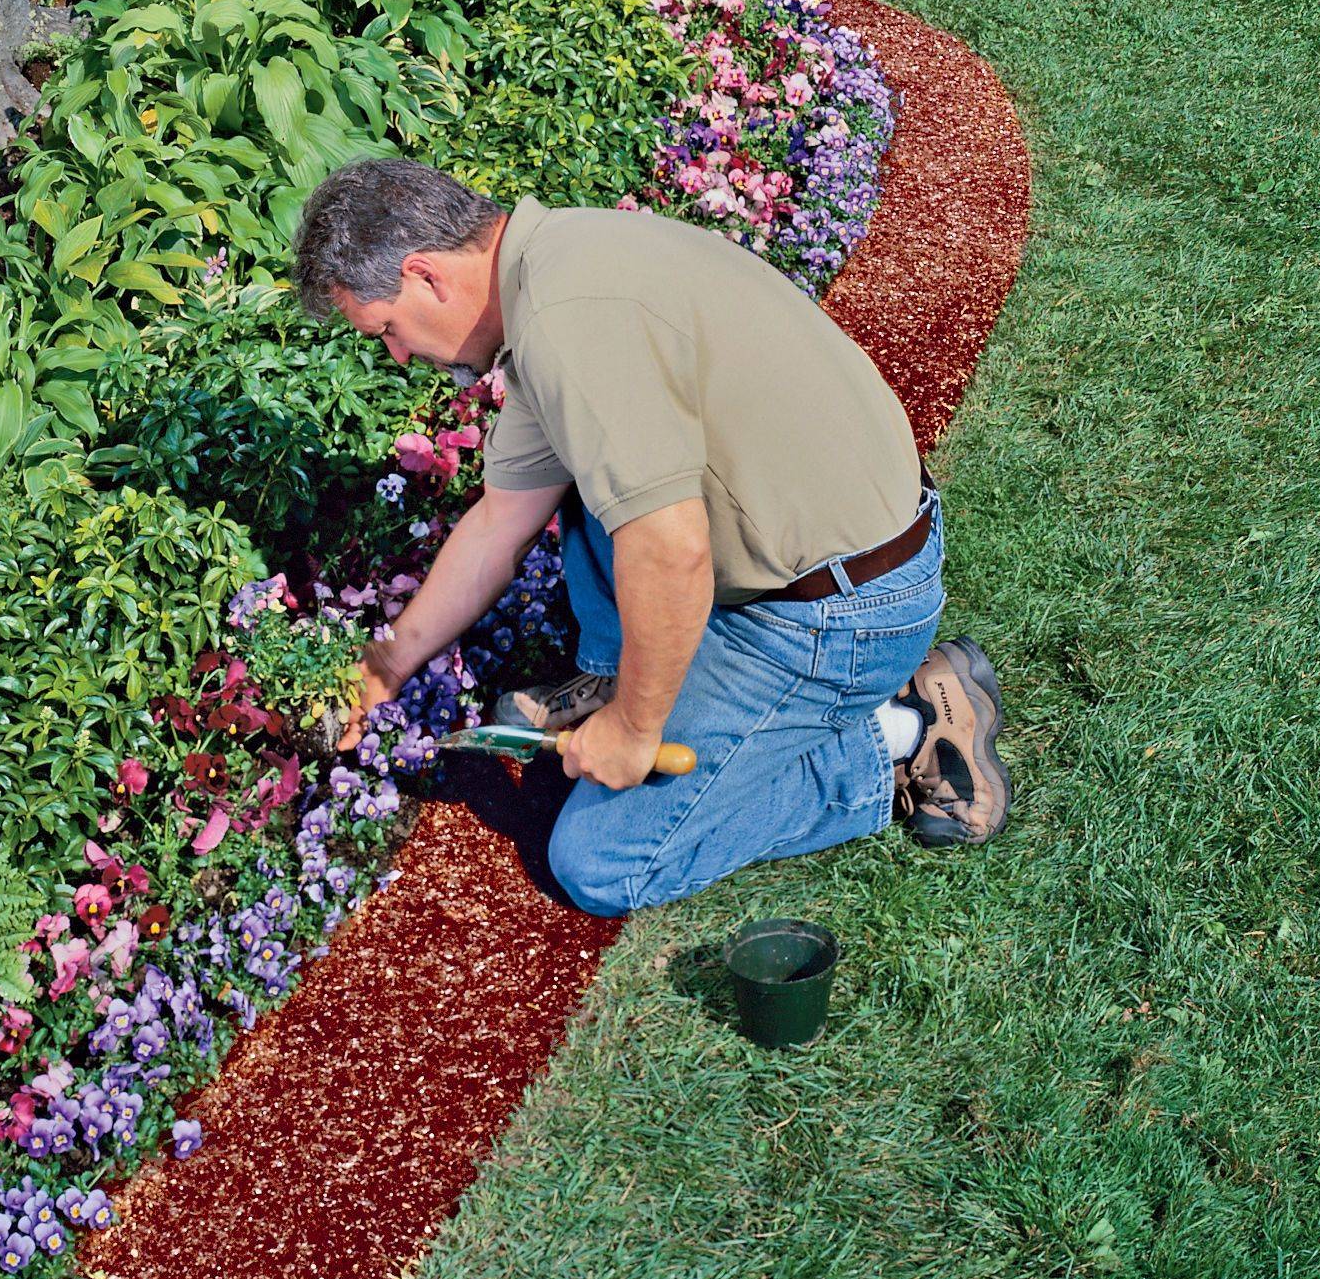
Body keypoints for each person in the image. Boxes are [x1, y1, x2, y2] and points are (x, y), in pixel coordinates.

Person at [294, 156, 1010, 918]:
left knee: (604, 865)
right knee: (582, 481)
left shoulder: (568, 327)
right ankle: (630, 682)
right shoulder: (559, 264)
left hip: (837, 615)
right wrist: (384, 665)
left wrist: (635, 732)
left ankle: (903, 733)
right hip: (831, 552)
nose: (398, 356)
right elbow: (502, 520)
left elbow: (669, 547)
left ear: (425, 275)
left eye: (387, 330)